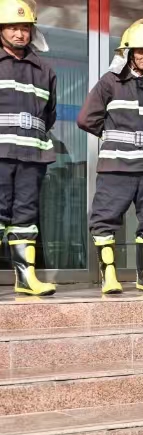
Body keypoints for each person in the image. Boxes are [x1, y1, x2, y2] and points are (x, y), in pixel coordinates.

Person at [78, 19, 143, 294]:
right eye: (141, 51)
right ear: (128, 52)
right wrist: (116, 135)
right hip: (117, 166)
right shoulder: (109, 82)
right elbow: (86, 119)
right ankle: (109, 276)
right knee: (105, 218)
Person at [0, 0, 56, 296]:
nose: (19, 34)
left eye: (25, 28)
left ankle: (25, 279)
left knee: (25, 216)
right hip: (1, 152)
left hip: (32, 155)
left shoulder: (44, 69)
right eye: (13, 27)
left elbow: (49, 114)